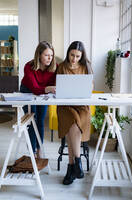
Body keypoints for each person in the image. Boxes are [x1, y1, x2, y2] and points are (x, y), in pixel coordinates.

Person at [56, 41, 93, 185]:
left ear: (82, 56)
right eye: (72, 55)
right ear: (68, 53)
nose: (74, 59)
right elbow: (59, 87)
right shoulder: (62, 67)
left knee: (75, 125)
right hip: (65, 106)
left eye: (78, 56)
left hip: (82, 106)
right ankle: (78, 163)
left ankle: (71, 168)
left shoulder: (86, 66)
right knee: (72, 123)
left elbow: (90, 87)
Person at [20, 41, 57, 158]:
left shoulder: (55, 67)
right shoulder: (28, 66)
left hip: (44, 93)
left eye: (51, 55)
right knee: (32, 119)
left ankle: (40, 148)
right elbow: (35, 88)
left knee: (40, 120)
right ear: (39, 55)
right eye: (46, 55)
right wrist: (49, 88)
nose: (49, 58)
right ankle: (33, 151)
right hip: (28, 91)